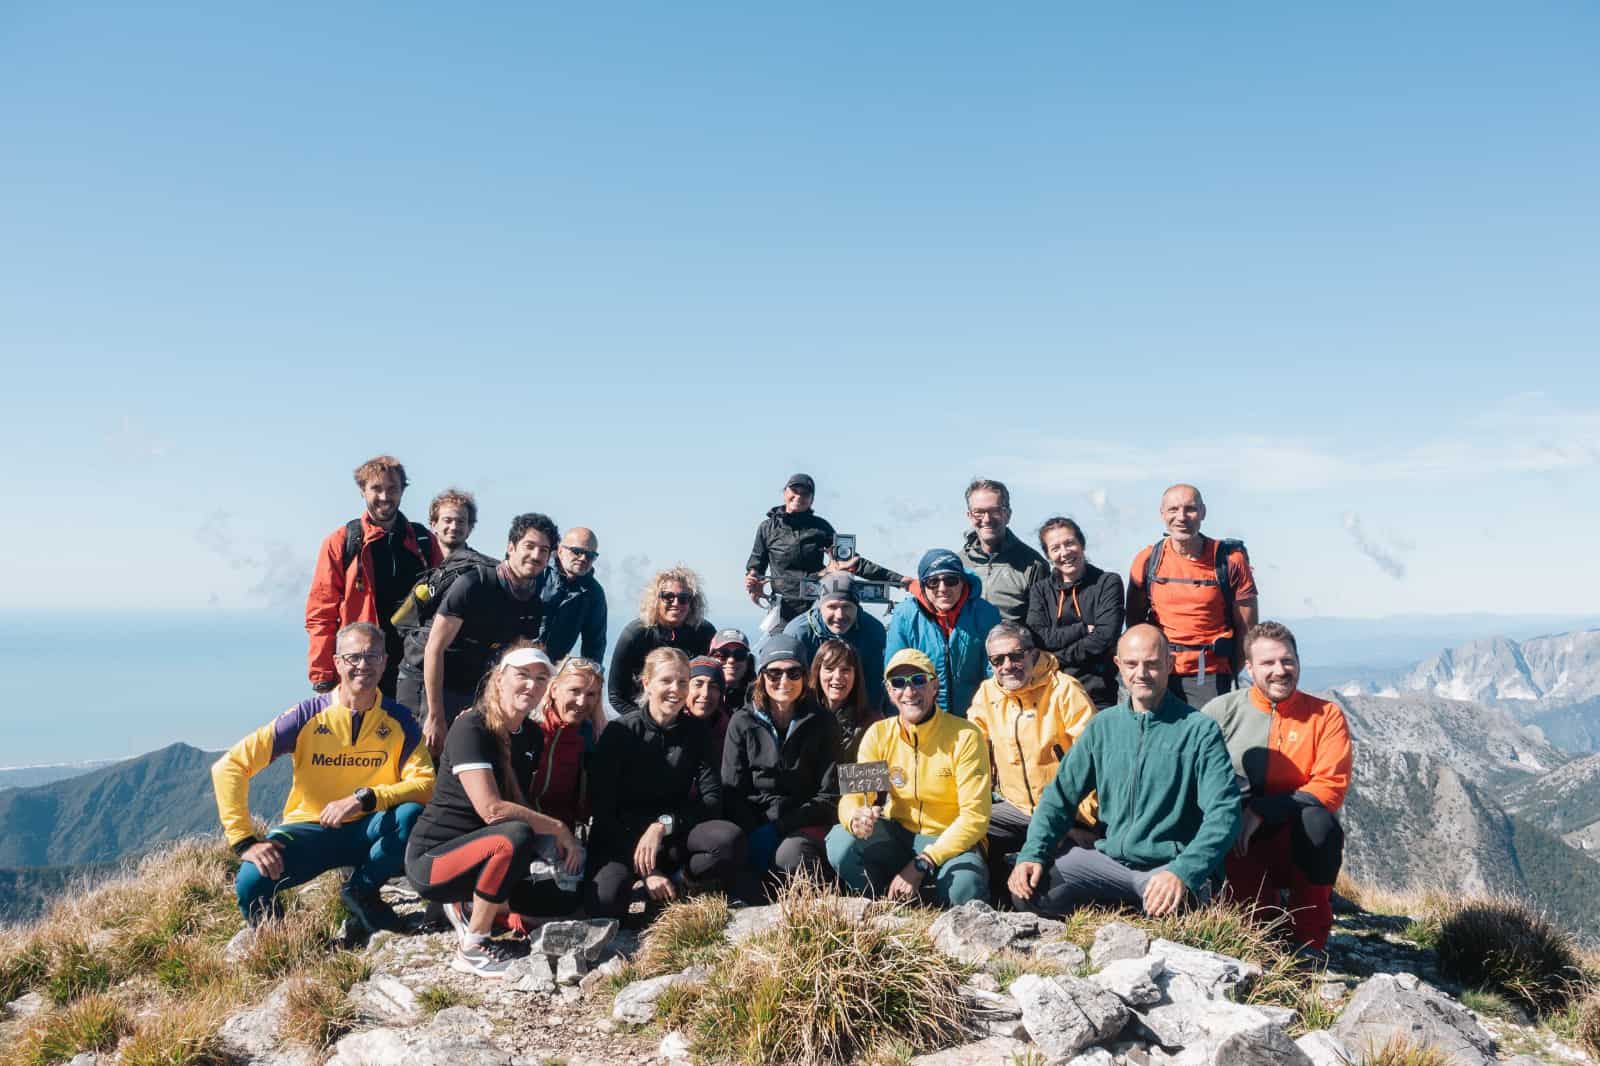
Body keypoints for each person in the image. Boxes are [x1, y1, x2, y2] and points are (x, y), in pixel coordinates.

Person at [213, 622, 435, 932]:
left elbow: (426, 784)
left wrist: (366, 798)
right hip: (310, 829)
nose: (363, 665)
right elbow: (230, 766)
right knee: (251, 881)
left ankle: (362, 892)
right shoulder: (306, 716)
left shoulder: (400, 720)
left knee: (410, 814)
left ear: (385, 662)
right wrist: (244, 840)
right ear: (337, 663)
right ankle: (281, 943)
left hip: (369, 828)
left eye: (372, 656)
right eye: (353, 657)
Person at [1009, 625, 1241, 919]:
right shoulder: (1102, 726)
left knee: (1170, 909)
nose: (1141, 673)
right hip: (1108, 863)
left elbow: (1224, 813)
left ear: (1169, 664)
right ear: (1118, 665)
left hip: (1168, 866)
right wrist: (1033, 853)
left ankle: (1138, 910)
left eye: (1152, 664)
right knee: (1030, 892)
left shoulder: (1199, 730)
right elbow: (1059, 797)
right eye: (1131, 664)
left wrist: (1184, 871)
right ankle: (1119, 911)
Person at [404, 646, 584, 977]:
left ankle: (469, 905)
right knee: (514, 835)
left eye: (540, 679)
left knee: (560, 901)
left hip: (483, 854)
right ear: (499, 679)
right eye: (522, 675)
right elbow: (492, 810)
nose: (531, 685)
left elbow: (519, 801)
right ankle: (473, 947)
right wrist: (558, 828)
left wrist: (555, 847)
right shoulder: (471, 726)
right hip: (434, 860)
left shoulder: (530, 735)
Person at [1202, 622, 1352, 951]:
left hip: (1294, 837)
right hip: (1237, 840)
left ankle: (1309, 939)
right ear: (1249, 668)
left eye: (1287, 661)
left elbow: (1331, 786)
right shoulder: (1221, 713)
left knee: (1319, 823)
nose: (1280, 670)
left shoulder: (1325, 716)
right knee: (1252, 936)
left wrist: (1262, 810)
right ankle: (1258, 917)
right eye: (1268, 663)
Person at [586, 648, 746, 920]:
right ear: (647, 683)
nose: (676, 689)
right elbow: (603, 809)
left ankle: (681, 883)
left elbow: (711, 800)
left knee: (728, 840)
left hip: (671, 836)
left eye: (683, 682)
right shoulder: (620, 732)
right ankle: (650, 887)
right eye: (666, 681)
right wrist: (647, 872)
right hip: (623, 839)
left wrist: (662, 825)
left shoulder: (696, 732)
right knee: (605, 901)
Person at [826, 649, 991, 906]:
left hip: (949, 839)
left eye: (919, 680)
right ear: (889, 691)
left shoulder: (966, 736)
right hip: (899, 834)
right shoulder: (878, 733)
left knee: (965, 888)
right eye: (898, 683)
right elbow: (854, 796)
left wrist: (924, 862)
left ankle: (933, 902)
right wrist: (855, 817)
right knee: (840, 841)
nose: (909, 691)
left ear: (935, 686)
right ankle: (881, 903)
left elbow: (975, 818)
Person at [966, 623, 1098, 883]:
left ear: (1033, 654)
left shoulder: (1065, 690)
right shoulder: (987, 693)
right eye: (997, 660)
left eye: (1016, 656)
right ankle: (980, 892)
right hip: (1017, 808)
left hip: (1066, 814)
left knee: (1046, 883)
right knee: (968, 828)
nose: (1007, 666)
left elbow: (1094, 762)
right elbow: (971, 748)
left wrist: (1076, 821)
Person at [417, 513, 556, 754]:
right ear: (510, 547)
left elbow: (511, 662)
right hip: (431, 682)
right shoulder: (474, 585)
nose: (536, 555)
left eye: (543, 550)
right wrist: (434, 715)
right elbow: (434, 648)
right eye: (529, 546)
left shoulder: (533, 604)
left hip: (474, 686)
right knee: (430, 757)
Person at [306, 455, 442, 695]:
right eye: (376, 488)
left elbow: (445, 606)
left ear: (402, 491)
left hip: (414, 667)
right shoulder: (342, 542)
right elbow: (321, 614)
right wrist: (323, 676)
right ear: (362, 490)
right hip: (362, 667)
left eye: (392, 489)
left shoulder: (424, 541)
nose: (384, 496)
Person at [722, 635, 841, 897]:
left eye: (793, 672)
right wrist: (753, 829)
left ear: (805, 677)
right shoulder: (742, 722)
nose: (784, 681)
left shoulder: (823, 722)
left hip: (802, 821)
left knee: (791, 855)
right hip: (755, 822)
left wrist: (780, 827)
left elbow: (829, 795)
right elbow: (732, 789)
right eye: (774, 673)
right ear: (761, 676)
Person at [1126, 484, 1259, 705]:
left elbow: (1247, 630)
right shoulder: (1147, 560)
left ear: (1203, 512)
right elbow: (1135, 624)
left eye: (1190, 509)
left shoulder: (1230, 561)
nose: (1181, 517)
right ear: (1162, 514)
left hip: (1211, 674)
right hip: (1159, 672)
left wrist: (1231, 672)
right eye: (1173, 509)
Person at [743, 472, 907, 624]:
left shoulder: (821, 527)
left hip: (818, 607)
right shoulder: (767, 528)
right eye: (794, 490)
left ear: (812, 499)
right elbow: (756, 566)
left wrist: (900, 580)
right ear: (785, 492)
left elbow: (853, 562)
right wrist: (752, 580)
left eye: (805, 493)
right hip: (782, 611)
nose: (799, 496)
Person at [885, 549, 1002, 719]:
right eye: (933, 582)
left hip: (974, 716)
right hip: (922, 717)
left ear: (962, 582)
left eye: (951, 580)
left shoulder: (985, 613)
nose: (942, 588)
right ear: (923, 585)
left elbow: (994, 669)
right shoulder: (905, 615)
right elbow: (894, 673)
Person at [1026, 517, 1125, 708]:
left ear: (1082, 544)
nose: (1064, 552)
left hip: (1098, 693)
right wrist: (1082, 630)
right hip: (1049, 692)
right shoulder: (1040, 590)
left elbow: (1104, 637)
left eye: (1069, 543)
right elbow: (1038, 637)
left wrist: (1055, 658)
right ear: (1048, 555)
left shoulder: (1107, 583)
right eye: (1055, 548)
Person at [607, 567, 716, 718]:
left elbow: (714, 680)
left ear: (692, 603)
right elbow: (616, 695)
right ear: (656, 600)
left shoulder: (704, 632)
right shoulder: (636, 634)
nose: (676, 603)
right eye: (668, 596)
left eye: (684, 598)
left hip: (690, 718)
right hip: (643, 715)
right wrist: (646, 722)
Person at [783, 572, 888, 711]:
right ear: (820, 607)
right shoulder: (797, 633)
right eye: (832, 607)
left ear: (857, 607)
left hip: (855, 706)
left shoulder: (873, 631)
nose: (839, 615)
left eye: (846, 607)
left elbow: (875, 684)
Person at [527, 655, 609, 831]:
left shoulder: (593, 740)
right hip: (518, 828)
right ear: (554, 689)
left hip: (564, 833)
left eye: (591, 694)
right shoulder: (525, 728)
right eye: (574, 691)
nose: (581, 702)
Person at [960, 478, 1049, 627]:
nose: (987, 519)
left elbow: (1042, 626)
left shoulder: (1033, 565)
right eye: (978, 512)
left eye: (995, 511)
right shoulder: (958, 564)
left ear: (1008, 514)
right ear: (969, 516)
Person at [539, 527, 608, 662]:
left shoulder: (594, 594)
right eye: (577, 551)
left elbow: (595, 645)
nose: (583, 558)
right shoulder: (538, 574)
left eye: (590, 555)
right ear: (560, 550)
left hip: (553, 669)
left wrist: (590, 672)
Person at [811, 638, 878, 763]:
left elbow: (876, 773)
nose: (837, 676)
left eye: (845, 670)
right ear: (817, 672)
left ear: (855, 675)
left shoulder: (873, 724)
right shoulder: (802, 719)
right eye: (829, 668)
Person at [428, 488, 481, 558]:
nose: (454, 527)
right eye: (447, 521)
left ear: (470, 527)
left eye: (461, 521)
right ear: (434, 525)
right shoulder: (420, 561)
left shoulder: (483, 564)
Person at [709, 628, 755, 710]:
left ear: (748, 661)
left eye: (739, 654)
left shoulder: (759, 700)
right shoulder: (695, 695)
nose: (731, 660)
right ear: (710, 658)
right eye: (723, 654)